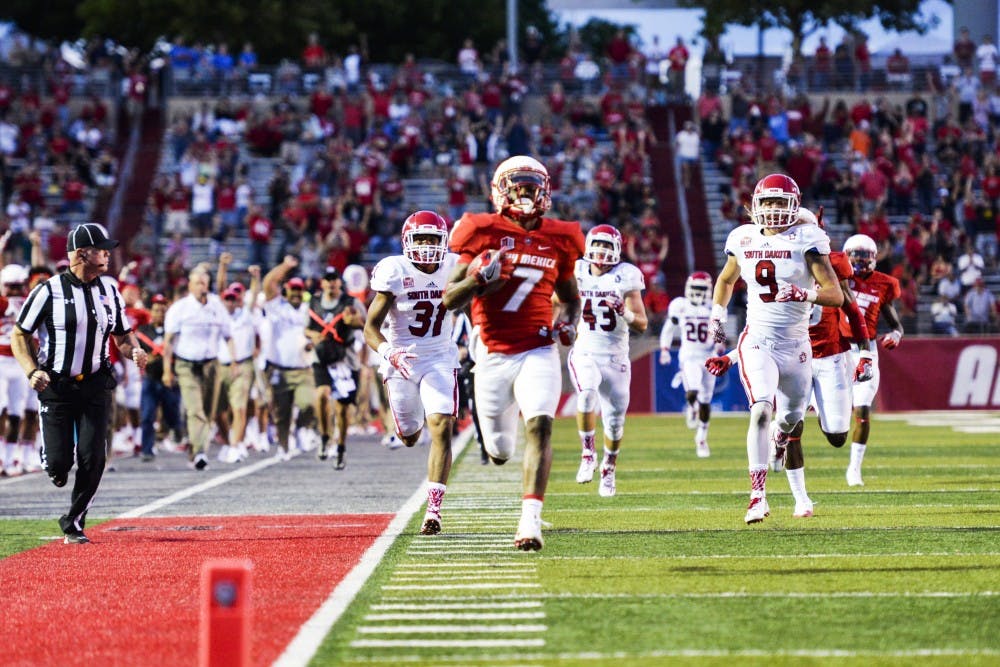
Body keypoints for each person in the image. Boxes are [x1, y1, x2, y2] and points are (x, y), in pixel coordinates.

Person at [444, 155, 584, 551]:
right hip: (490, 354)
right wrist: (476, 279)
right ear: (500, 190)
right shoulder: (481, 231)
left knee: (540, 425)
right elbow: (449, 300)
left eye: (531, 186)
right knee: (500, 451)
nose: (525, 193)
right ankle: (499, 450)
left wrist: (569, 322)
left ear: (545, 191)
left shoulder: (560, 237)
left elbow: (571, 299)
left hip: (538, 346)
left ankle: (530, 521)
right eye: (517, 186)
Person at [706, 174, 843, 524]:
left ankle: (781, 439)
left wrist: (805, 293)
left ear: (794, 206)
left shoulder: (807, 239)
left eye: (780, 202)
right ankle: (757, 496)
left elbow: (836, 294)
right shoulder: (743, 237)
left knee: (792, 420)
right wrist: (717, 315)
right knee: (760, 410)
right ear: (755, 204)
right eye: (767, 202)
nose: (772, 209)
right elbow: (725, 279)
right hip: (758, 340)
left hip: (796, 345)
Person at [12, 223, 148, 544]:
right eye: (101, 248)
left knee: (94, 456)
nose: (107, 253)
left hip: (96, 385)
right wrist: (31, 370)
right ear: (81, 253)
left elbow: (122, 336)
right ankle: (52, 458)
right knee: (60, 465)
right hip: (57, 385)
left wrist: (135, 351)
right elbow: (20, 333)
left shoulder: (109, 291)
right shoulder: (48, 290)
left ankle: (73, 521)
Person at [364, 210, 461, 534]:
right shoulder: (394, 271)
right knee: (409, 435)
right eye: (419, 238)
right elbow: (370, 328)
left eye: (432, 238)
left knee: (442, 424)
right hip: (401, 359)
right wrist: (388, 351)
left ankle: (434, 509)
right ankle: (409, 425)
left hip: (439, 357)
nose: (426, 245)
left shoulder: (454, 266)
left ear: (443, 241)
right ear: (407, 242)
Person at [569, 224, 647, 496]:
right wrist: (560, 323)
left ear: (616, 250)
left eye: (607, 245)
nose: (601, 251)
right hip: (586, 350)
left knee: (614, 422)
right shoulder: (577, 271)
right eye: (598, 245)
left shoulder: (626, 276)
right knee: (586, 393)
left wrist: (624, 312)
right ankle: (588, 454)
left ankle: (609, 469)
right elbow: (558, 301)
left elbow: (642, 324)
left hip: (616, 358)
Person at [841, 233, 904, 487]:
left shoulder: (884, 283)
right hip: (839, 351)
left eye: (865, 255)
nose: (860, 260)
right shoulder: (839, 279)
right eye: (856, 255)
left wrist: (897, 333)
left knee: (863, 409)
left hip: (867, 352)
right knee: (831, 422)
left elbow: (893, 319)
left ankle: (854, 468)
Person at [162, 266, 236, 471]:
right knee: (195, 409)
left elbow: (228, 335)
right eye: (197, 282)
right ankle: (201, 452)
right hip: (186, 364)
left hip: (211, 364)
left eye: (204, 282)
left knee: (208, 411)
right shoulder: (180, 308)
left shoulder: (217, 306)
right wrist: (167, 370)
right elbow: (168, 342)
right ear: (190, 285)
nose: (202, 286)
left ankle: (194, 449)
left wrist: (234, 361)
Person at [305, 264, 366, 468]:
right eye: (327, 279)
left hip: (344, 358)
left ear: (340, 282)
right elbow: (305, 328)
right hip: (322, 356)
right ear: (322, 283)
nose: (331, 283)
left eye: (335, 279)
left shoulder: (351, 303)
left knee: (341, 409)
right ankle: (324, 435)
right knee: (321, 395)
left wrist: (353, 321)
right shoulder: (313, 303)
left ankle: (340, 447)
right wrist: (314, 335)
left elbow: (366, 325)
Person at [261, 256, 320, 462]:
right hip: (280, 368)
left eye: (299, 290)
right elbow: (268, 283)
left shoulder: (309, 310)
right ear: (287, 290)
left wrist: (313, 343)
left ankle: (303, 428)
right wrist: (285, 266)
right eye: (292, 289)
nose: (295, 293)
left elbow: (316, 333)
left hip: (303, 368)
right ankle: (284, 446)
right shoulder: (277, 306)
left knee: (309, 404)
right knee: (282, 412)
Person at [659, 271, 720, 458]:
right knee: (693, 390)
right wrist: (664, 349)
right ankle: (691, 408)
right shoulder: (680, 306)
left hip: (708, 356)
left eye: (703, 289)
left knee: (706, 401)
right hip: (690, 356)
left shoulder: (713, 307)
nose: (699, 292)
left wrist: (719, 346)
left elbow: (719, 333)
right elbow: (669, 328)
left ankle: (701, 437)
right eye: (696, 288)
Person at [214, 262, 261, 463]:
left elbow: (254, 294)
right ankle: (228, 441)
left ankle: (236, 444)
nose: (232, 302)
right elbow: (218, 288)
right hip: (220, 365)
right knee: (217, 410)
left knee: (239, 408)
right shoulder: (219, 314)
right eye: (228, 299)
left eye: (235, 298)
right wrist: (223, 267)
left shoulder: (246, 314)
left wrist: (256, 277)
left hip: (242, 364)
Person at [136, 294, 182, 461]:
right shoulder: (143, 332)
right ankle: (147, 449)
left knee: (172, 412)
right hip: (151, 378)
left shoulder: (174, 330)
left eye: (163, 311)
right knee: (147, 415)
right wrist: (152, 357)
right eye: (156, 310)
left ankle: (177, 430)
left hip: (170, 379)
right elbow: (139, 354)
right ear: (151, 312)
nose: (160, 314)